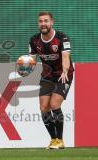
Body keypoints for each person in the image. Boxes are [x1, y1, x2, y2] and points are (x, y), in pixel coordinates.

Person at [29, 11, 74, 149]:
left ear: (52, 22)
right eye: (40, 21)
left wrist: (65, 70)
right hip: (47, 75)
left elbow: (66, 57)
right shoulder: (34, 40)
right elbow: (32, 60)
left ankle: (60, 140)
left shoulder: (62, 38)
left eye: (46, 21)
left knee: (54, 104)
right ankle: (53, 140)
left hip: (63, 74)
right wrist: (25, 66)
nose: (43, 24)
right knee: (43, 107)